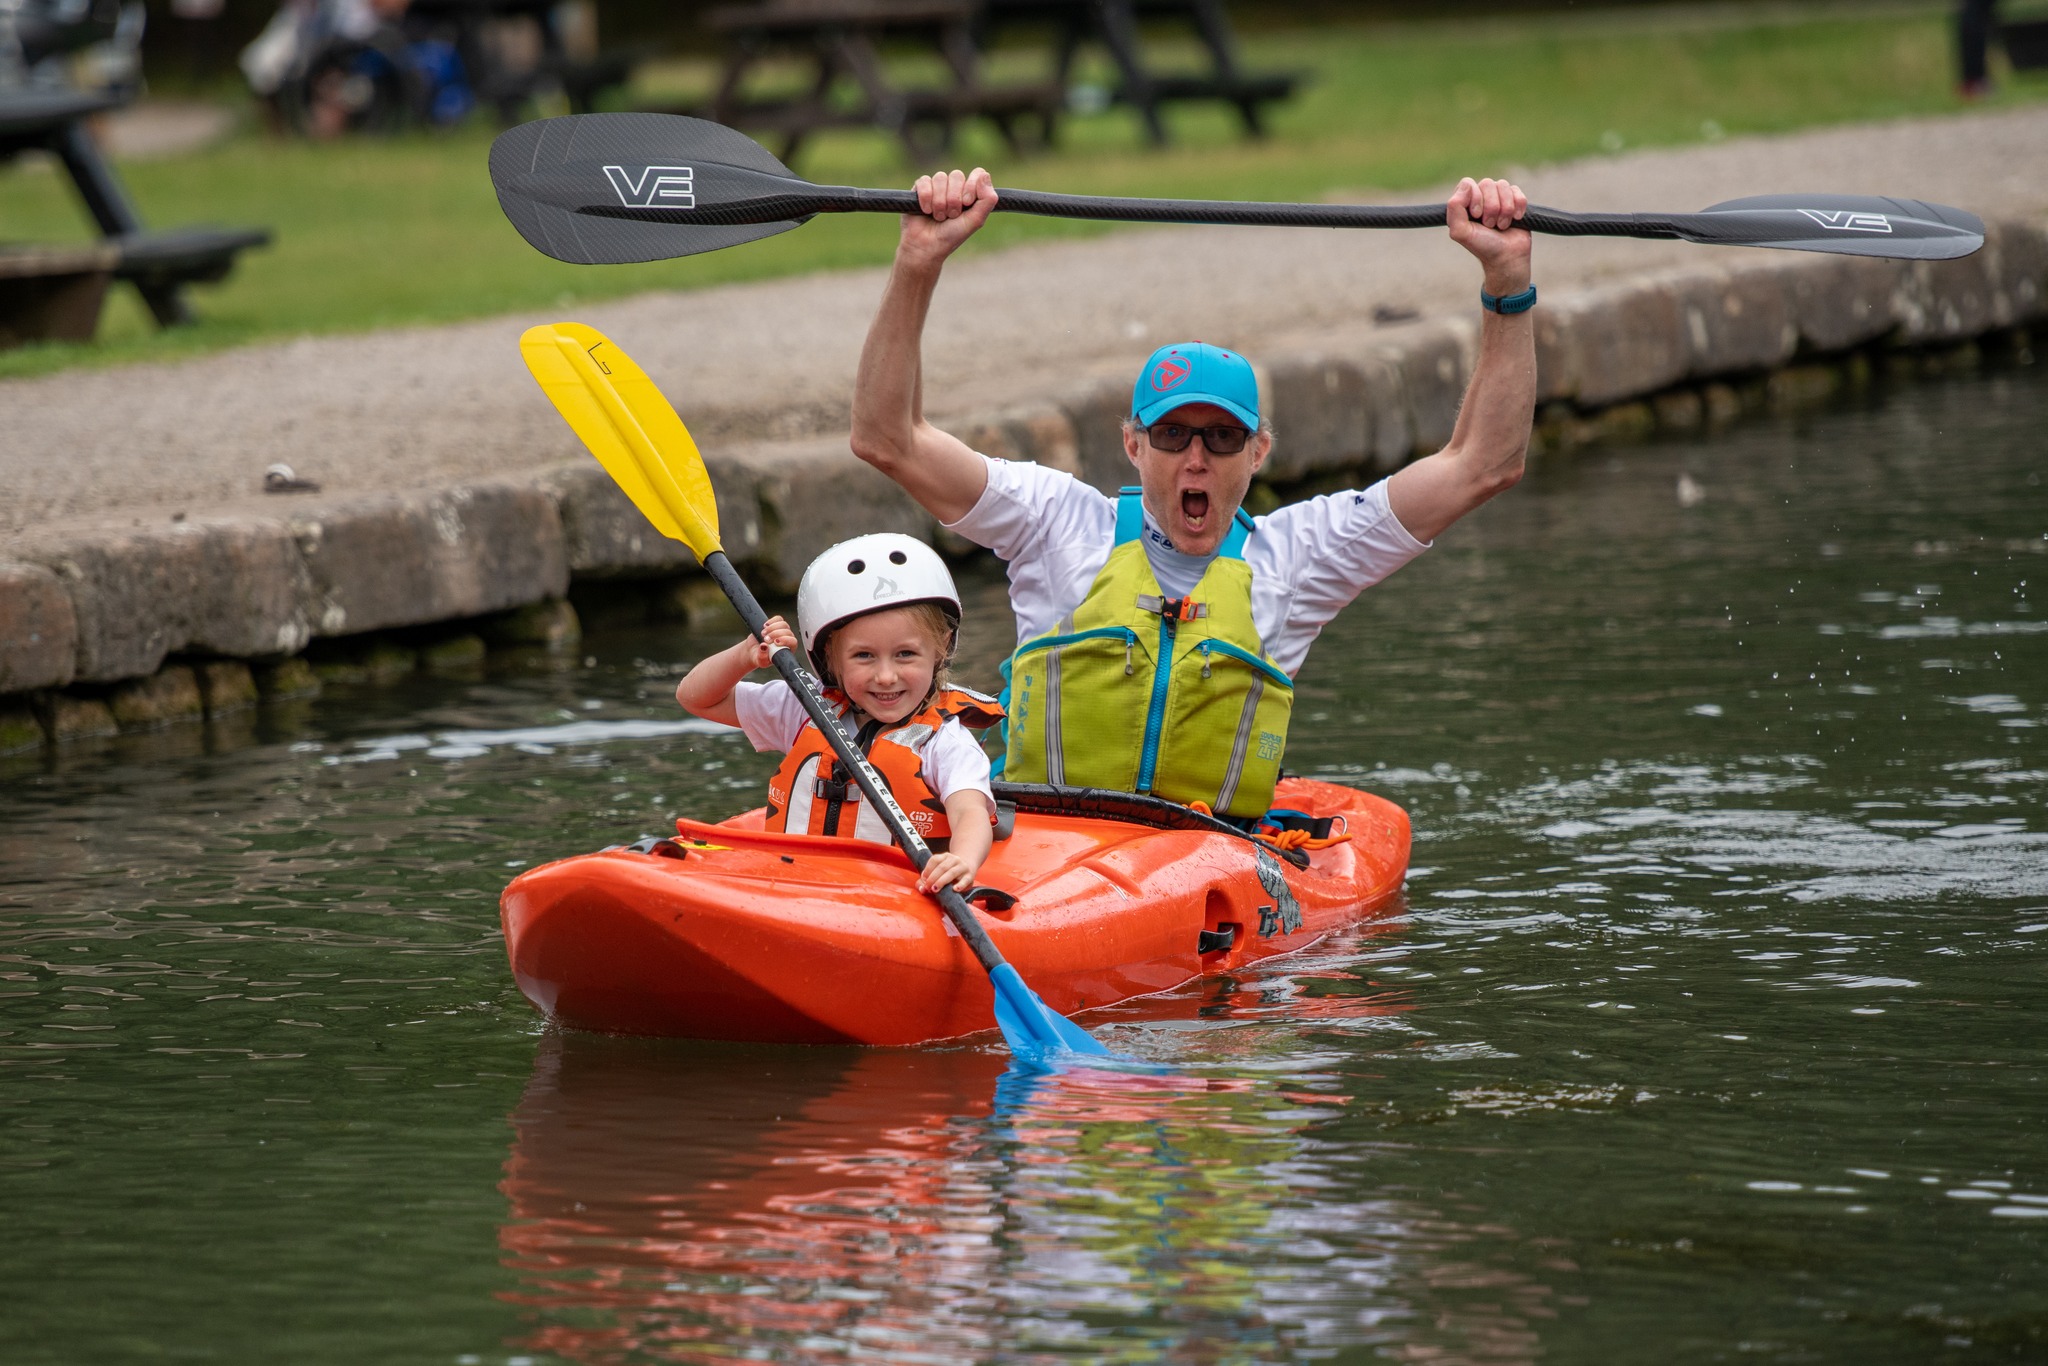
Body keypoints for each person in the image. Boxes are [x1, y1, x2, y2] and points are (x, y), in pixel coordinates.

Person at [848, 168, 1536, 823]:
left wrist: (1507, 282)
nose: (1197, 460)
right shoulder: (1053, 520)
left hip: (1205, 857)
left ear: (1260, 453)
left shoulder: (1299, 557)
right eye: (1174, 435)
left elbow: (1484, 465)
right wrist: (918, 262)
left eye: (1222, 439)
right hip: (1044, 845)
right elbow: (887, 440)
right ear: (1133, 446)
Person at [675, 532, 1004, 893]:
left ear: (941, 645)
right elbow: (696, 698)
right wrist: (744, 656)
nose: (886, 676)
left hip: (892, 901)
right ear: (830, 656)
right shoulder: (805, 708)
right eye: (864, 656)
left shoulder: (945, 742)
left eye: (905, 654)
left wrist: (962, 861)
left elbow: (970, 812)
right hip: (790, 888)